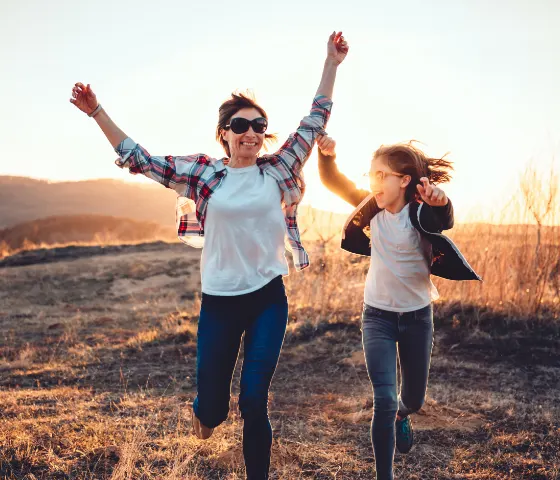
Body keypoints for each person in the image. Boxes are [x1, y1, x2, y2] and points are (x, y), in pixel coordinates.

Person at [70, 32, 349, 480]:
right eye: (241, 126)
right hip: (219, 302)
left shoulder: (279, 168)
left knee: (255, 400)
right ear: (224, 134)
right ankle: (203, 410)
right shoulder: (203, 173)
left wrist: (331, 63)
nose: (252, 133)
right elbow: (140, 159)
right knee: (215, 412)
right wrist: (98, 113)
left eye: (259, 126)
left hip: (267, 299)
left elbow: (315, 119)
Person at [316, 135, 481, 480]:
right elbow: (332, 181)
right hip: (376, 316)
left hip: (418, 317)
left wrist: (442, 200)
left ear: (404, 181)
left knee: (412, 400)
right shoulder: (370, 206)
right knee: (385, 399)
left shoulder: (420, 213)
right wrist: (327, 156)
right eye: (371, 174)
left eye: (381, 175)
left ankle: (403, 416)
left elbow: (444, 218)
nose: (372, 182)